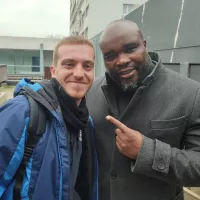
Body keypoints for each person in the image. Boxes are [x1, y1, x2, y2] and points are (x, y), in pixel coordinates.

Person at [87, 20, 200, 200]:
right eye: (110, 56)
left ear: (145, 45)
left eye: (130, 49)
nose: (122, 60)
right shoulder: (91, 91)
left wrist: (146, 152)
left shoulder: (191, 93)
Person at [0, 36, 98, 200]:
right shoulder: (22, 111)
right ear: (53, 71)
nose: (79, 73)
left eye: (87, 66)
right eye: (69, 64)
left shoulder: (86, 122)